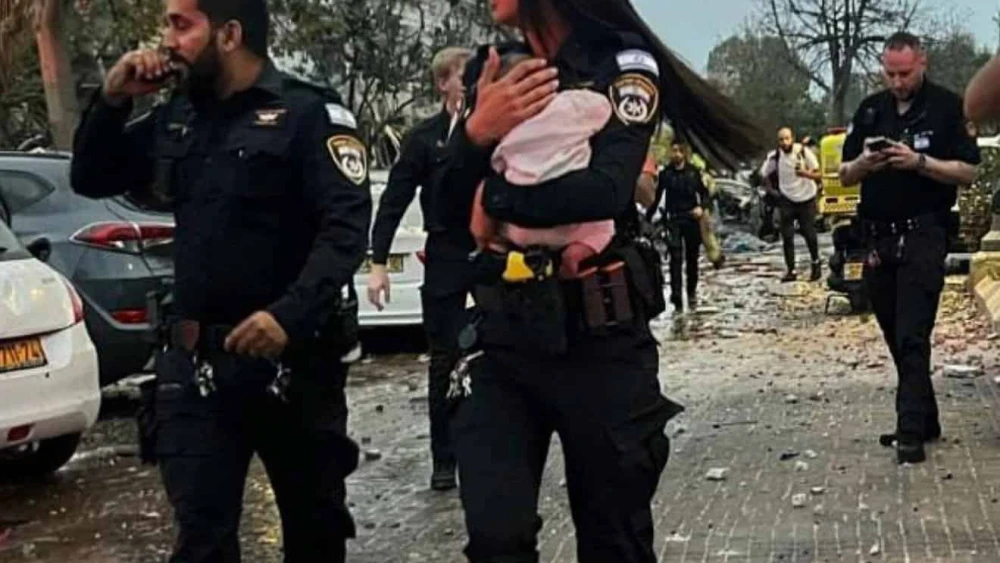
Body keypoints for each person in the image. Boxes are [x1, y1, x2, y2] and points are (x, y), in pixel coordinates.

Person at [434, 0, 763, 560]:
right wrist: (474, 135)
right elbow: (444, 210)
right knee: (496, 537)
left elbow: (606, 191)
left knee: (615, 540)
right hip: (504, 340)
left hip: (599, 338)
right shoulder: (491, 67)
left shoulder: (622, 65)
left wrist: (495, 197)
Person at [69, 0, 372, 559]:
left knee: (316, 531)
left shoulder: (307, 114)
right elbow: (89, 176)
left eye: (181, 25)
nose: (166, 40)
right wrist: (111, 99)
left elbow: (347, 228)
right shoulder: (180, 116)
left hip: (294, 368)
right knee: (202, 540)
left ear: (229, 34)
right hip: (199, 367)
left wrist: (289, 314)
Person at [839, 32, 980, 464]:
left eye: (905, 73)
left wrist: (919, 162)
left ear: (923, 63)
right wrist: (866, 162)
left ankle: (909, 432)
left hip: (924, 232)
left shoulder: (947, 107)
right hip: (879, 236)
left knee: (913, 333)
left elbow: (969, 171)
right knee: (892, 332)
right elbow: (844, 173)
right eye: (890, 73)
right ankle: (926, 417)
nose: (897, 82)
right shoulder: (870, 110)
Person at [367, 46, 474, 492]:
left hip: (492, 254)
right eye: (460, 76)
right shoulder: (424, 138)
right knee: (444, 361)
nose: (468, 83)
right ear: (442, 83)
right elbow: (393, 200)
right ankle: (444, 459)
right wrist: (378, 263)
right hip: (447, 253)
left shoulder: (494, 129)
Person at [470, 52, 616, 278]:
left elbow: (497, 164)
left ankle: (494, 246)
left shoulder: (507, 128)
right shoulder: (572, 105)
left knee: (486, 202)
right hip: (580, 224)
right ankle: (572, 260)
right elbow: (604, 108)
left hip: (523, 230)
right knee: (603, 229)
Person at [647, 141, 709, 312]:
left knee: (692, 258)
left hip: (691, 219)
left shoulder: (693, 172)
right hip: (673, 219)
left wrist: (701, 208)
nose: (675, 154)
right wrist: (647, 219)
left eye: (679, 151)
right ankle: (676, 297)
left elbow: (705, 194)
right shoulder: (666, 174)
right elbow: (657, 198)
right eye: (673, 151)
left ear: (684, 153)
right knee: (675, 258)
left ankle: (691, 291)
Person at [760, 126, 823, 282]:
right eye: (781, 139)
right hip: (786, 198)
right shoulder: (774, 156)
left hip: (806, 197)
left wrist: (805, 174)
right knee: (787, 236)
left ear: (792, 139)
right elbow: (764, 174)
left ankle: (816, 263)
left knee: (809, 232)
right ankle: (791, 270)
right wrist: (771, 191)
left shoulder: (803, 152)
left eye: (787, 138)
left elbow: (819, 173)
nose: (784, 142)